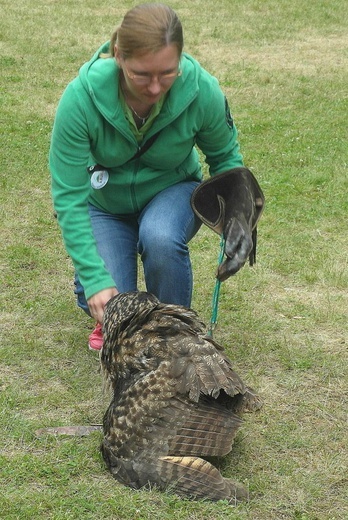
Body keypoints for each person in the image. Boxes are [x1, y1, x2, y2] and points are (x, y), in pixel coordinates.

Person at [49, 2, 257, 351]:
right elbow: (69, 196)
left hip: (172, 189)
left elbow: (225, 160)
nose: (157, 87)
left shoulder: (201, 90)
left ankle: (176, 334)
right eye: (142, 75)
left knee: (159, 236)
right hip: (104, 205)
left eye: (168, 73)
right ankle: (98, 292)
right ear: (118, 56)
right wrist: (96, 277)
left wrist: (240, 214)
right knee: (110, 302)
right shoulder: (80, 98)